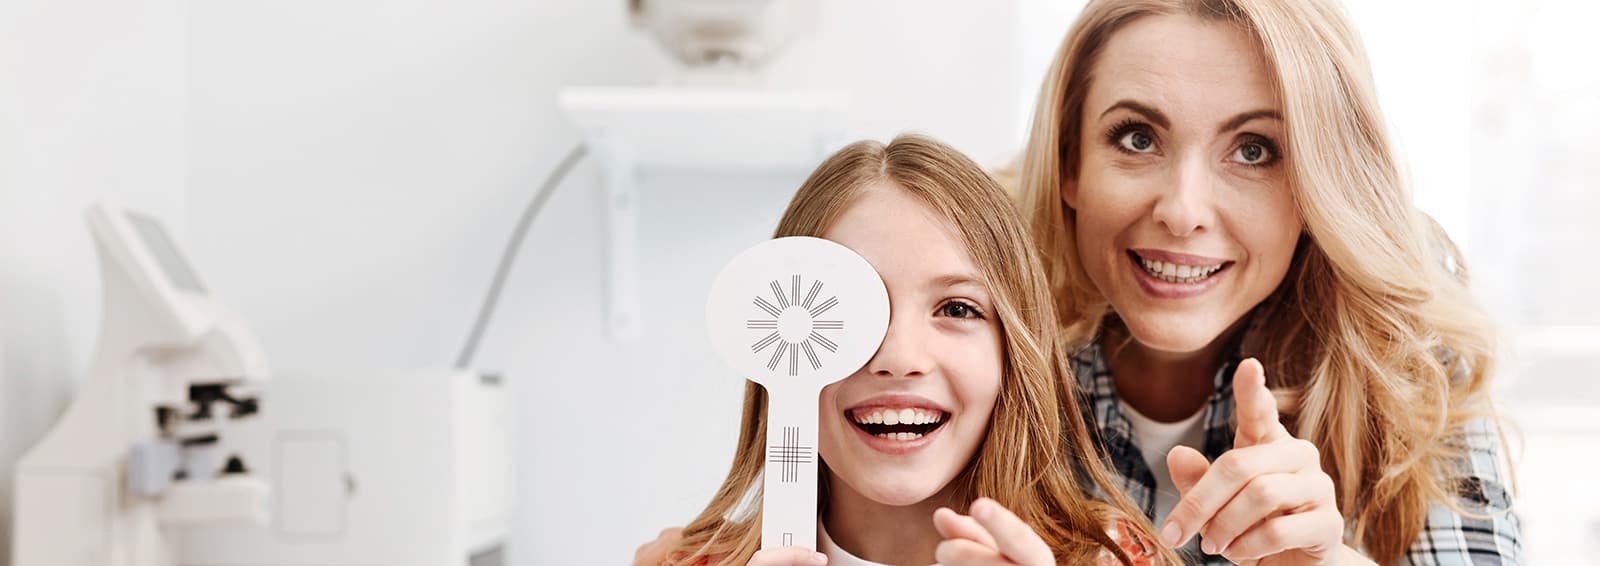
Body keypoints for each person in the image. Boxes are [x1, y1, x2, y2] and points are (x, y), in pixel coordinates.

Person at [993, 0, 1518, 563]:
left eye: (1253, 150)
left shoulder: (1409, 352)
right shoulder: (970, 309)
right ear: (1068, 163)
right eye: (1138, 139)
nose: (1183, 210)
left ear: (1319, 185)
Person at [657, 135, 1172, 565]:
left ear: (1011, 351)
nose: (899, 358)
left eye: (956, 309)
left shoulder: (1117, 555)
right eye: (848, 309)